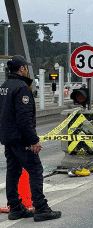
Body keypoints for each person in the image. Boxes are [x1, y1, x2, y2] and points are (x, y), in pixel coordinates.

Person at [0, 55, 62, 222]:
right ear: (22, 69)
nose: (27, 70)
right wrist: (33, 140)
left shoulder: (4, 86)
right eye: (26, 67)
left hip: (8, 137)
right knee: (35, 170)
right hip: (20, 138)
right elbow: (24, 118)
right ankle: (41, 208)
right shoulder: (22, 88)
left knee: (13, 172)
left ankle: (15, 208)